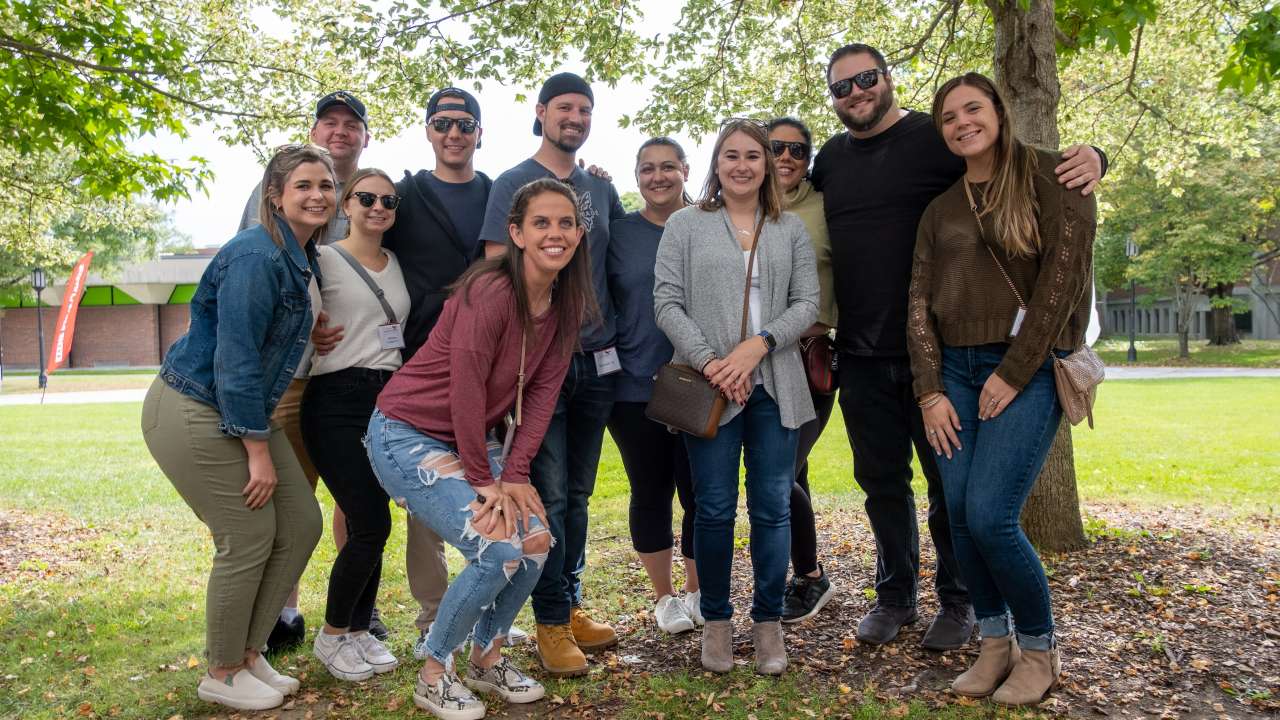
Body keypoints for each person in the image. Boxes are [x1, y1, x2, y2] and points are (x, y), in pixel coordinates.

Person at [810, 43, 1106, 649]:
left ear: (887, 79)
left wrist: (1095, 157)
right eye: (841, 87)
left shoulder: (933, 137)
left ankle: (959, 601)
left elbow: (1022, 171)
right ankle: (894, 596)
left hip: (943, 354)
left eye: (865, 78)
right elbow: (788, 202)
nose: (855, 92)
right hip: (861, 352)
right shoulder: (832, 160)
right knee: (881, 484)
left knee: (954, 490)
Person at [366, 178, 596, 719]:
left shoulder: (565, 302)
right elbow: (466, 392)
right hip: (404, 432)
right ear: (515, 233)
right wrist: (484, 479)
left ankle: (486, 658)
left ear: (580, 234)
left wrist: (515, 475)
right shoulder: (489, 291)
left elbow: (540, 396)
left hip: (474, 440)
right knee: (496, 550)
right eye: (541, 222)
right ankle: (432, 671)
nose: (555, 233)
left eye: (565, 223)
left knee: (537, 541)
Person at [908, 73, 1095, 705]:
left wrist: (1012, 372)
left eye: (973, 109)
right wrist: (930, 391)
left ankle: (1039, 650)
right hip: (953, 374)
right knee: (959, 515)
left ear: (998, 110)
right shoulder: (941, 209)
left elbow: (1060, 285)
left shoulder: (1053, 177)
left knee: (991, 514)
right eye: (949, 118)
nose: (963, 123)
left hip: (1032, 368)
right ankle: (995, 645)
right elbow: (918, 306)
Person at [142, 144, 329, 711]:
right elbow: (237, 358)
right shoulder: (255, 255)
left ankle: (249, 654)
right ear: (275, 196)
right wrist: (257, 450)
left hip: (244, 407)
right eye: (303, 185)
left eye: (325, 185)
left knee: (300, 524)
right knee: (247, 535)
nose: (318, 194)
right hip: (194, 407)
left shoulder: (300, 254)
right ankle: (221, 671)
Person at [653, 118, 819, 676]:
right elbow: (667, 303)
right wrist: (712, 362)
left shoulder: (789, 228)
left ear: (767, 165)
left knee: (773, 508)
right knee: (715, 507)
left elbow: (806, 304)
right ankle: (719, 622)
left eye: (754, 155)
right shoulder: (685, 225)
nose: (743, 164)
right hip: (710, 388)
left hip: (776, 384)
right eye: (731, 155)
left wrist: (757, 347)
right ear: (716, 164)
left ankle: (768, 622)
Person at [479, 72, 626, 677]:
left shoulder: (599, 185)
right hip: (541, 367)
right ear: (541, 113)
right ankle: (547, 622)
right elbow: (495, 270)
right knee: (551, 493)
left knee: (582, 495)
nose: (576, 117)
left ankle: (569, 605)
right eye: (564, 107)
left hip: (600, 359)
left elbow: (617, 263)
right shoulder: (511, 185)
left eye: (585, 109)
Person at [237, 91, 383, 650]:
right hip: (291, 379)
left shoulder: (370, 191)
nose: (341, 132)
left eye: (352, 124)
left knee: (355, 500)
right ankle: (282, 613)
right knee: (290, 501)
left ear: (365, 136)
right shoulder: (278, 189)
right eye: (330, 122)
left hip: (348, 377)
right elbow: (258, 271)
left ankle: (353, 613)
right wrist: (303, 325)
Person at [299, 169, 408, 681]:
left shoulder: (397, 264)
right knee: (369, 522)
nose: (378, 206)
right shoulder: (320, 259)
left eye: (388, 199)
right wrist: (310, 333)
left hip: (385, 400)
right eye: (366, 197)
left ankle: (360, 631)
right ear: (347, 203)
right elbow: (291, 317)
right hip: (335, 399)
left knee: (374, 518)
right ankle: (333, 633)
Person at [606, 137, 701, 635]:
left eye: (668, 167)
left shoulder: (709, 223)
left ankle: (698, 590)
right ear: (637, 175)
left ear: (686, 170)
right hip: (632, 384)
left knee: (700, 492)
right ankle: (664, 598)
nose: (658, 176)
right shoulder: (619, 233)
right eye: (647, 169)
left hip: (699, 381)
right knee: (650, 490)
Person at [767, 117, 838, 625]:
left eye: (798, 149)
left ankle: (811, 576)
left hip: (810, 357)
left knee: (780, 472)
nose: (787, 156)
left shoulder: (826, 207)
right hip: (754, 363)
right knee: (794, 473)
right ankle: (802, 573)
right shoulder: (741, 206)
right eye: (776, 147)